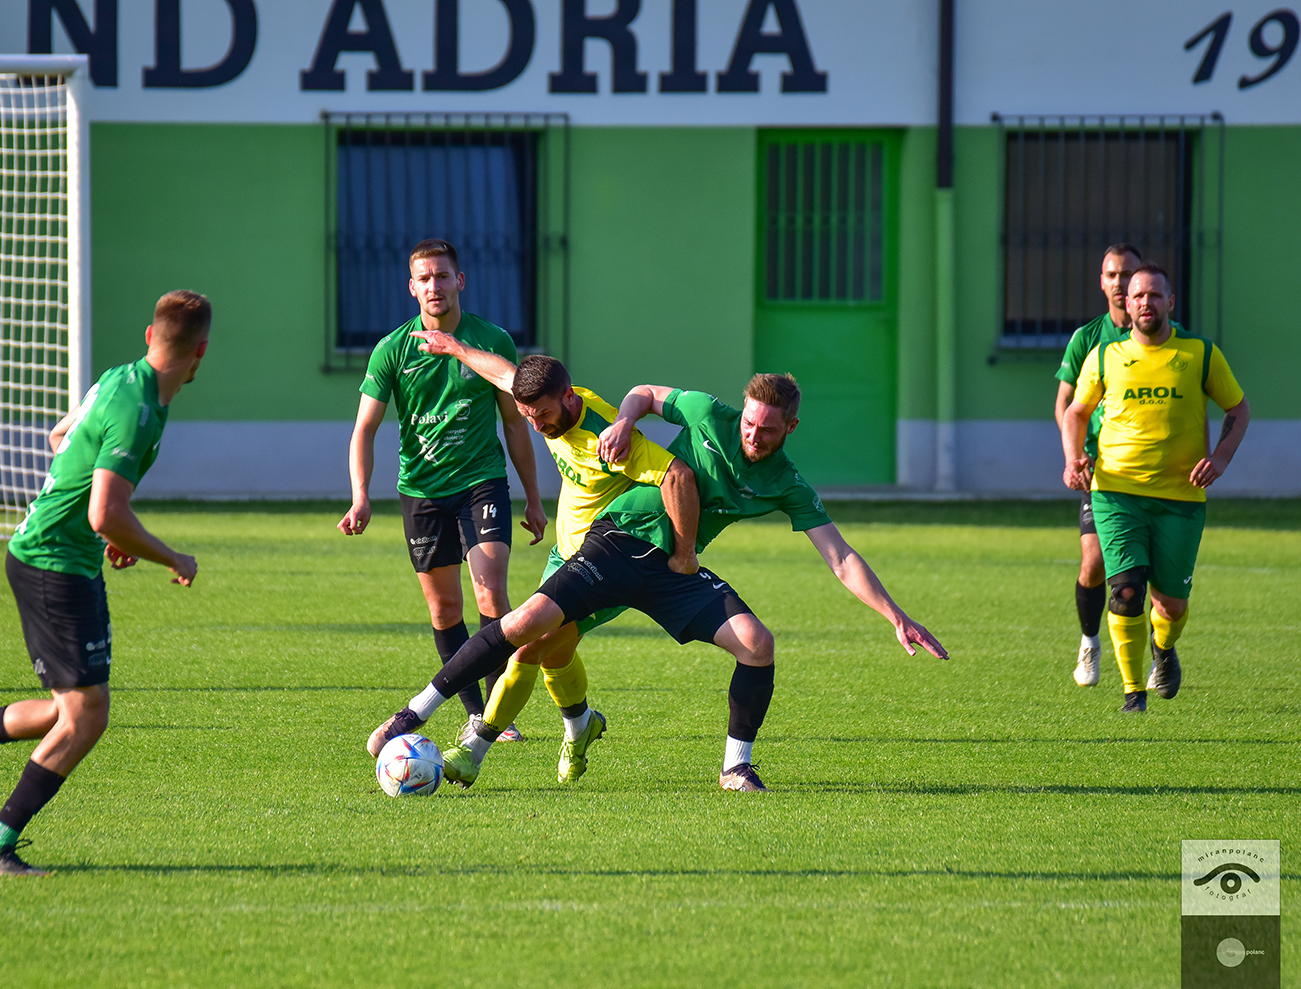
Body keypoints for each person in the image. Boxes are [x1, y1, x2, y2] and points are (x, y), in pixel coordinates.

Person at [368, 374, 948, 792]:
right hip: (620, 540)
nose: (753, 434)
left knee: (757, 644)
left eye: (768, 430)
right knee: (527, 631)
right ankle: (416, 715)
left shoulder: (787, 482)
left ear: (790, 428)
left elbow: (840, 557)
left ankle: (735, 766)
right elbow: (645, 393)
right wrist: (625, 419)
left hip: (675, 571)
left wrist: (896, 615)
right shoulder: (709, 413)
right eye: (749, 423)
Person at [0, 290, 212, 876]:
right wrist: (169, 556)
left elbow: (60, 439)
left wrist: (103, 526)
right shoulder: (138, 409)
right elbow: (103, 511)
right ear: (202, 352)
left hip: (60, 557)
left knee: (67, 710)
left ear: (149, 336)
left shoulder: (118, 380)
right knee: (86, 717)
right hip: (52, 564)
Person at [405, 333, 699, 782]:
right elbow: (505, 374)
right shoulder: (545, 404)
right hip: (566, 555)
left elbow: (677, 475)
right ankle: (581, 727)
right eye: (528, 416)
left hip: (609, 566)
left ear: (568, 396)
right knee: (554, 654)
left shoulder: (607, 439)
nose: (537, 425)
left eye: (542, 414)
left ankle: (473, 751)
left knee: (528, 646)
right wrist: (456, 348)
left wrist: (683, 554)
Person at [339, 240, 546, 741]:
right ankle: (476, 713)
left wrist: (534, 497)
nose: (434, 286)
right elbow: (364, 429)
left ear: (460, 281)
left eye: (442, 275)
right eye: (424, 278)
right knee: (445, 610)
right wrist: (360, 495)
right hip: (422, 491)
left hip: (481, 482)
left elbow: (515, 425)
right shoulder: (392, 350)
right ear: (412, 288)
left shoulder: (491, 340)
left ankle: (499, 714)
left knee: (491, 590)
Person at [1061, 264, 1249, 712]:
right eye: (1138, 296)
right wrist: (1073, 458)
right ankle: (1133, 692)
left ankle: (1163, 648)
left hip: (1180, 498)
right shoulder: (1105, 356)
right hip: (1116, 493)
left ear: (1171, 302)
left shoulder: (1199, 353)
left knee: (1171, 605)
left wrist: (1220, 458)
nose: (1146, 303)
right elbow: (1075, 412)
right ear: (1126, 305)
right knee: (1125, 591)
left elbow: (1238, 409)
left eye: (1155, 295)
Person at [1053, 244, 1141, 687]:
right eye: (1112, 274)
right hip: (1101, 468)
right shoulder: (1088, 338)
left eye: (1128, 274)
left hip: (1150, 467)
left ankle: (1160, 648)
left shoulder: (1167, 336)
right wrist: (1073, 456)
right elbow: (1065, 404)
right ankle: (1090, 643)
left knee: (1151, 571)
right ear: (1102, 282)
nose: (1120, 282)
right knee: (1093, 563)